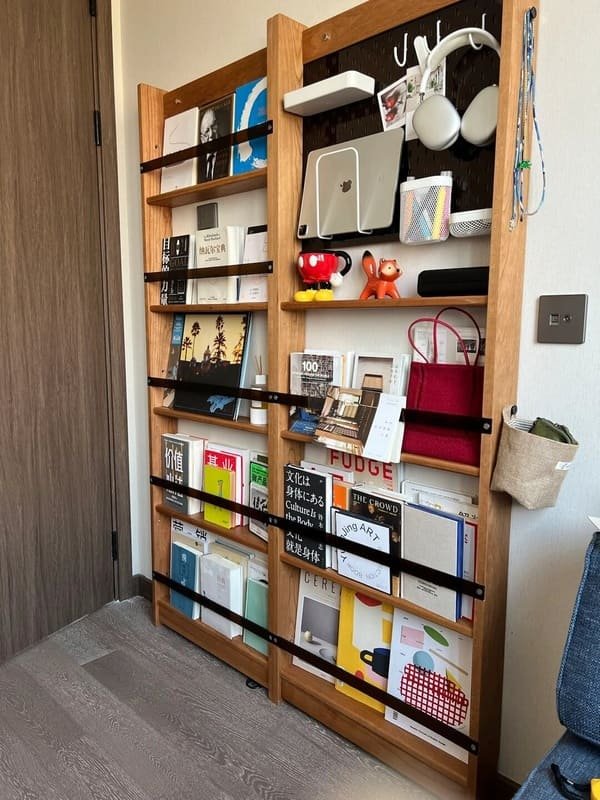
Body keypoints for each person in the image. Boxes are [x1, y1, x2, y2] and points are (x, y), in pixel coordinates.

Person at [199, 106, 230, 181]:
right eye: (206, 131)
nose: (211, 134)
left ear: (218, 125)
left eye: (213, 127)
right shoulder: (198, 161)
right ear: (202, 139)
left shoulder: (228, 153)